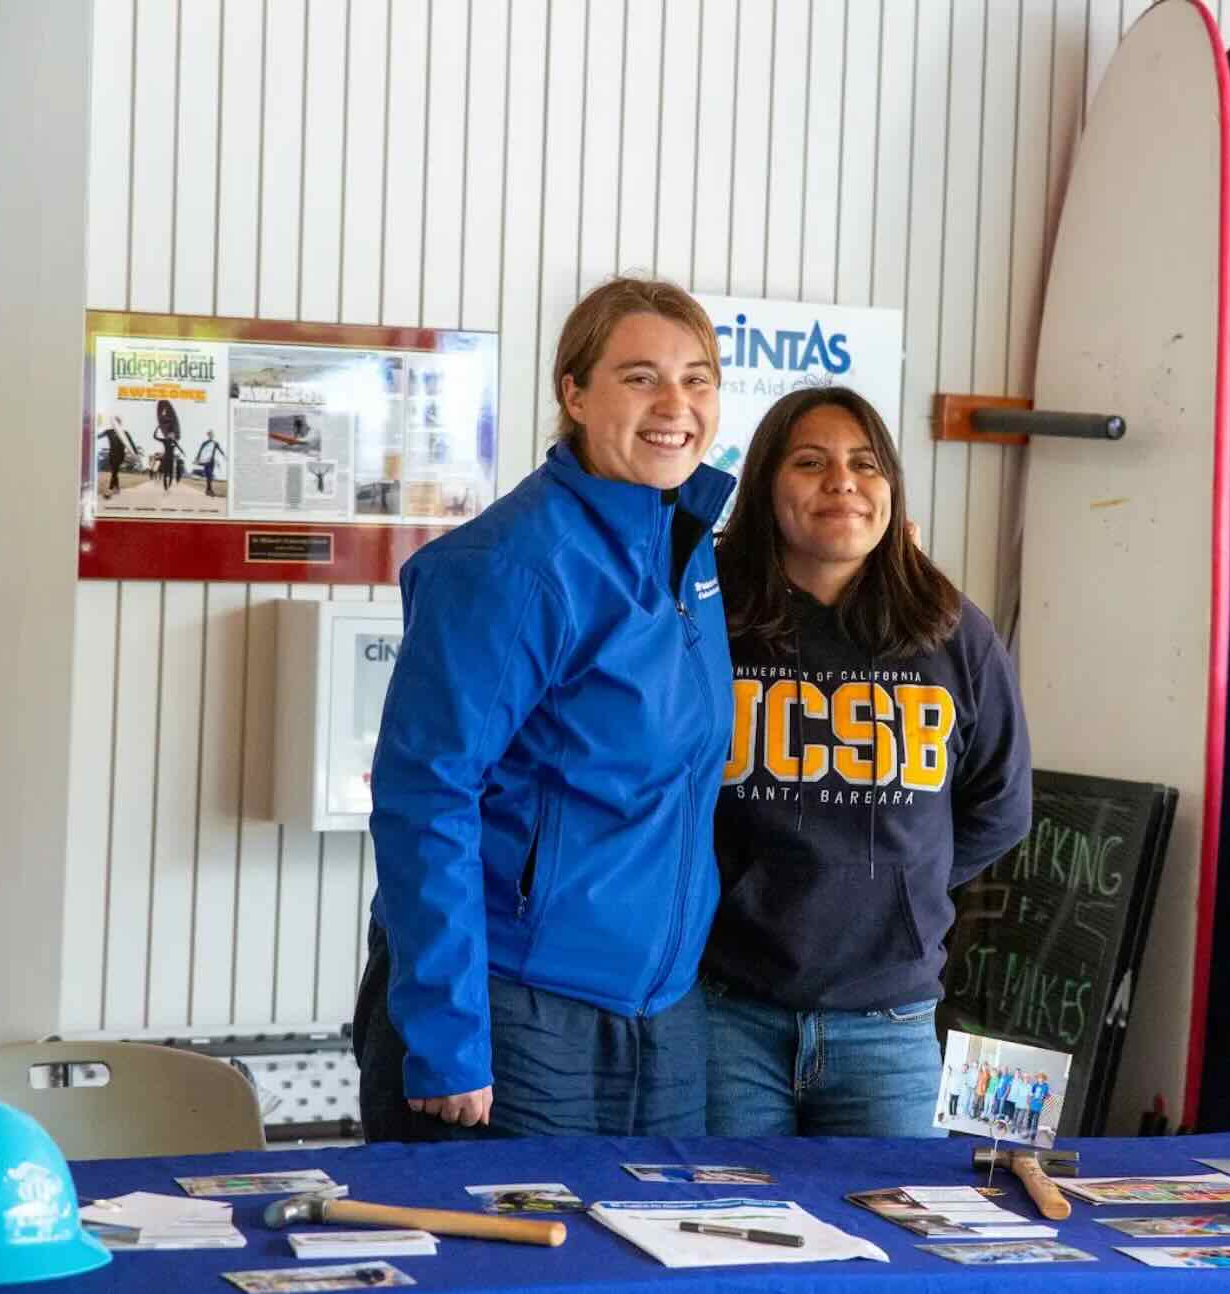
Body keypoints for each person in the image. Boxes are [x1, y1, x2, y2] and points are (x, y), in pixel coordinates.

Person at [354, 277, 735, 1141]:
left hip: (660, 1018)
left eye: (698, 377)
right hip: (515, 1011)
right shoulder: (514, 565)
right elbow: (425, 796)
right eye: (641, 377)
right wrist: (450, 1036)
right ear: (574, 390)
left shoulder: (687, 552)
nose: (676, 404)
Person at [701, 386, 1033, 1137]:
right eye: (810, 462)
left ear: (891, 488)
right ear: (765, 488)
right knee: (726, 1231)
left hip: (890, 1024)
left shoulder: (952, 631)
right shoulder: (712, 620)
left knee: (894, 1240)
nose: (842, 481)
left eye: (865, 463)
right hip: (729, 1014)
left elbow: (1001, 807)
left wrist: (901, 887)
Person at [152, 399, 183, 491]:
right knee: (166, 473)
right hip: (166, 458)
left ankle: (169, 485)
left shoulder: (174, 442)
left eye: (173, 434)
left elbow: (179, 448)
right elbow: (155, 437)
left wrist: (183, 452)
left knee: (170, 473)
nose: (172, 435)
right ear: (169, 435)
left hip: (171, 459)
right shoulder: (165, 441)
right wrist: (158, 428)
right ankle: (165, 486)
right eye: (170, 434)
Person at [194, 431, 226, 497]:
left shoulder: (215, 443)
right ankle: (210, 490)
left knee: (210, 476)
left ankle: (207, 490)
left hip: (212, 462)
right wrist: (197, 459)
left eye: (212, 434)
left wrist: (224, 456)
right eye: (210, 434)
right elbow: (200, 451)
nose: (211, 435)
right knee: (208, 475)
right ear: (208, 435)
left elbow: (220, 450)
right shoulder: (205, 443)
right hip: (206, 461)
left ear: (213, 435)